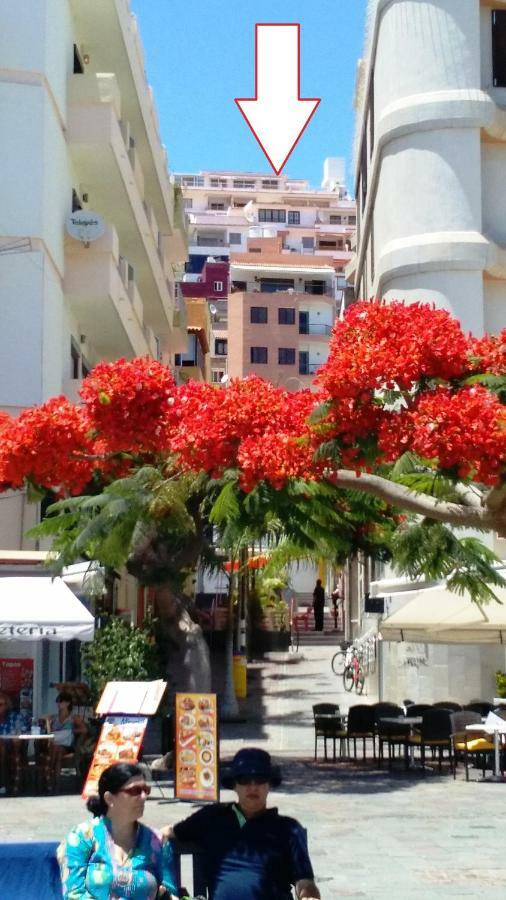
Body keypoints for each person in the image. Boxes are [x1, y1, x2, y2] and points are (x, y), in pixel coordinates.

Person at [165, 747, 320, 900]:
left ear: (269, 785)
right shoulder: (212, 816)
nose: (253, 787)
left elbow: (304, 880)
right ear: (234, 785)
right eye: (245, 780)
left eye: (260, 779)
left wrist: (309, 895)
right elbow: (170, 832)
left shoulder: (288, 829)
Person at [60, 762, 178, 899]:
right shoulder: (81, 837)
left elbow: (170, 894)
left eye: (146, 790)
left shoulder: (157, 841)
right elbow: (73, 894)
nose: (144, 797)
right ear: (109, 798)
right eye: (135, 791)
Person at [48, 690, 88, 780]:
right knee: (56, 749)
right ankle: (51, 777)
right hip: (54, 743)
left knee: (57, 750)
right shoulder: (54, 718)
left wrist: (72, 730)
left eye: (61, 701)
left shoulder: (73, 717)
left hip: (66, 744)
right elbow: (49, 731)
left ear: (68, 703)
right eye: (58, 701)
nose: (59, 704)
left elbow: (84, 729)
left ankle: (52, 777)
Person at [0, 691, 30, 792]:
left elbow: (23, 731)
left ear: (7, 706)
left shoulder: (15, 717)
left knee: (2, 748)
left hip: (12, 746)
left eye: (0, 704)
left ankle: (3, 783)